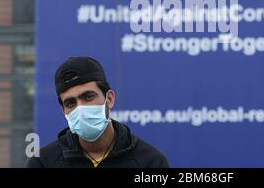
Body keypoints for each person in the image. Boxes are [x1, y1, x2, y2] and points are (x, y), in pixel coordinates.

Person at [26, 56, 170, 168]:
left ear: (110, 99)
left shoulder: (150, 161)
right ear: (64, 110)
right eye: (71, 103)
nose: (80, 108)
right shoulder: (42, 163)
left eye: (88, 97)